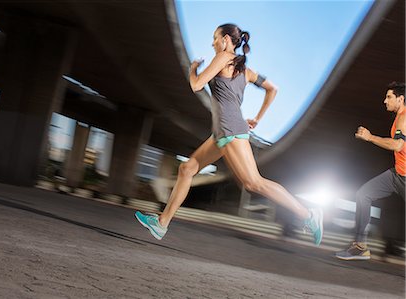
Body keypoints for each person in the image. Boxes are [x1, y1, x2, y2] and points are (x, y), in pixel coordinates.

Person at [135, 23, 323, 245]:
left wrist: (193, 68)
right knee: (187, 169)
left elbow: (196, 85)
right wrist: (258, 118)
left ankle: (309, 215)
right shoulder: (246, 71)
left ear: (225, 39)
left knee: (254, 183)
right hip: (222, 131)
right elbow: (273, 88)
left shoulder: (224, 57)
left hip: (230, 130)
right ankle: (162, 223)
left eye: (214, 38)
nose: (212, 43)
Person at [336, 82, 405, 260]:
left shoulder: (404, 117)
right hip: (397, 175)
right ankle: (360, 246)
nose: (385, 101)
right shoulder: (399, 118)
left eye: (389, 97)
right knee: (363, 194)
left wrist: (370, 137)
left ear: (401, 99)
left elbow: (397, 145)